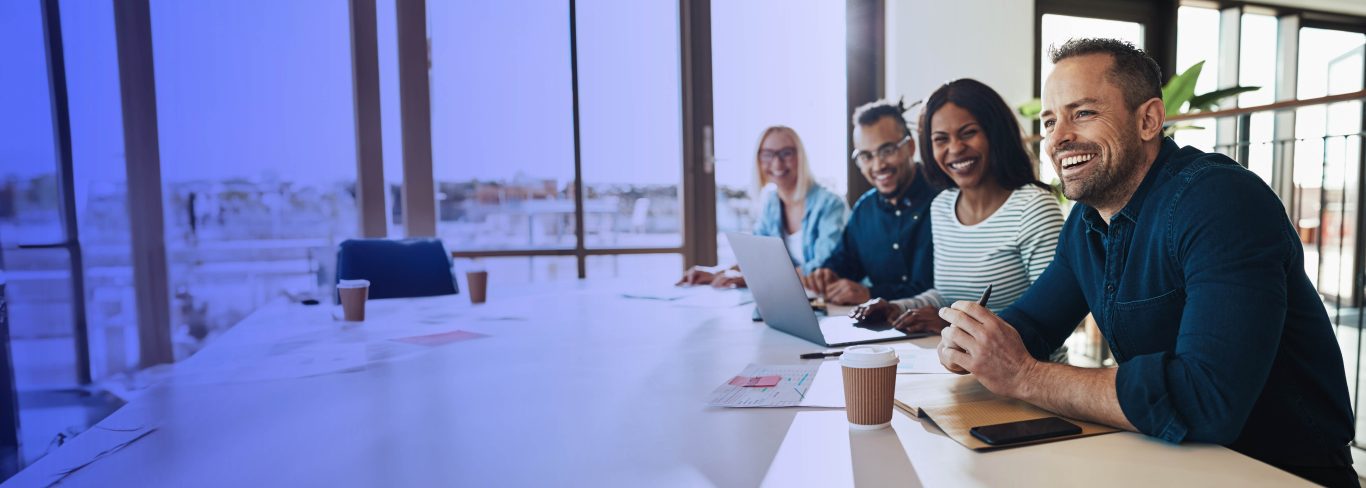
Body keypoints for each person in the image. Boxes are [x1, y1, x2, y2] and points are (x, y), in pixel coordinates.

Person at [933, 38, 1355, 486]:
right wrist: (975, 342)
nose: (1057, 139)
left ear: (1149, 119)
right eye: (1050, 121)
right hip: (1169, 460)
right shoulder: (1086, 220)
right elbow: (1033, 326)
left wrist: (1025, 375)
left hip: (1278, 473)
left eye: (1083, 113)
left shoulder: (1219, 200)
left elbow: (1206, 400)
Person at [850, 79, 1063, 336]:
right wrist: (895, 308)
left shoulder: (1034, 207)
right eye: (941, 139)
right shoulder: (942, 206)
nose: (955, 149)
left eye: (968, 133)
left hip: (1022, 372)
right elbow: (945, 296)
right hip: (955, 367)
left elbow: (1050, 318)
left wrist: (953, 325)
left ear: (994, 133)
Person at [800, 100, 939, 305]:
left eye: (887, 151)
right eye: (866, 156)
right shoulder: (865, 209)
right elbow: (845, 261)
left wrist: (871, 294)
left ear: (910, 147)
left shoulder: (943, 201)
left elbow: (937, 289)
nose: (878, 165)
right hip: (878, 329)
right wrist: (828, 273)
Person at [678, 126, 847, 288]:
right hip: (792, 299)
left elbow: (822, 267)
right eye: (767, 154)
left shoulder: (830, 203)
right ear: (758, 160)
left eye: (786, 153)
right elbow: (757, 258)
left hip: (831, 301)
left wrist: (751, 279)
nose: (777, 163)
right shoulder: (772, 202)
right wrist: (717, 272)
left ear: (800, 157)